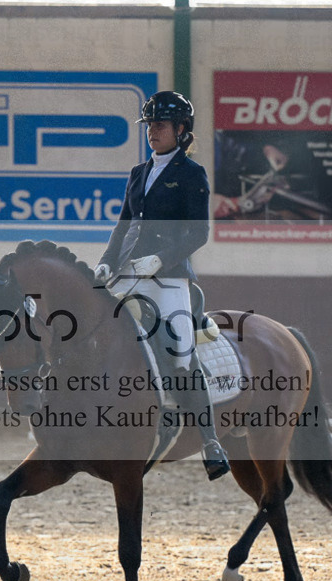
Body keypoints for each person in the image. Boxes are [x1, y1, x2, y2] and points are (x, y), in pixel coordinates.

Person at [93, 91, 231, 482]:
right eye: (149, 125)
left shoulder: (191, 174)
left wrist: (161, 259)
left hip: (168, 278)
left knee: (182, 351)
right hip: (127, 273)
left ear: (181, 130)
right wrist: (106, 262)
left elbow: (199, 232)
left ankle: (211, 443)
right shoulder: (138, 173)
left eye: (161, 125)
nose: (153, 131)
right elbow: (123, 226)